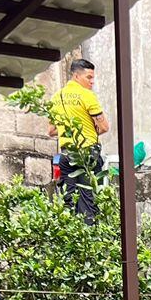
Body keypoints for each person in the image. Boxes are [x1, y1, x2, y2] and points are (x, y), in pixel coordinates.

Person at [48, 58, 109, 222]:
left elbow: (51, 130)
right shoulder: (87, 96)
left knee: (70, 199)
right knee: (89, 200)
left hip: (66, 155)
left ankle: (73, 236)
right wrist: (87, 129)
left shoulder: (56, 97)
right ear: (76, 76)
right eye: (89, 77)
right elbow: (104, 127)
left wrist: (66, 127)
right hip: (87, 154)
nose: (92, 82)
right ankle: (90, 239)